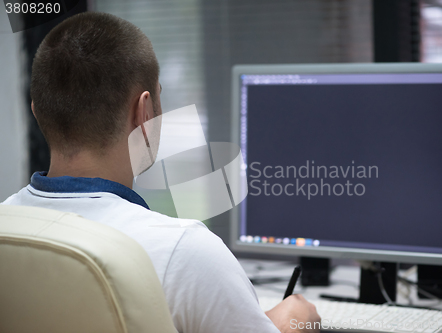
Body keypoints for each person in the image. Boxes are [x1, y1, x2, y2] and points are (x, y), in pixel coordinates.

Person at [2, 11, 320, 333]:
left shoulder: (7, 226)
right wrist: (294, 323)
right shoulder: (185, 252)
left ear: (37, 111)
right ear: (144, 112)